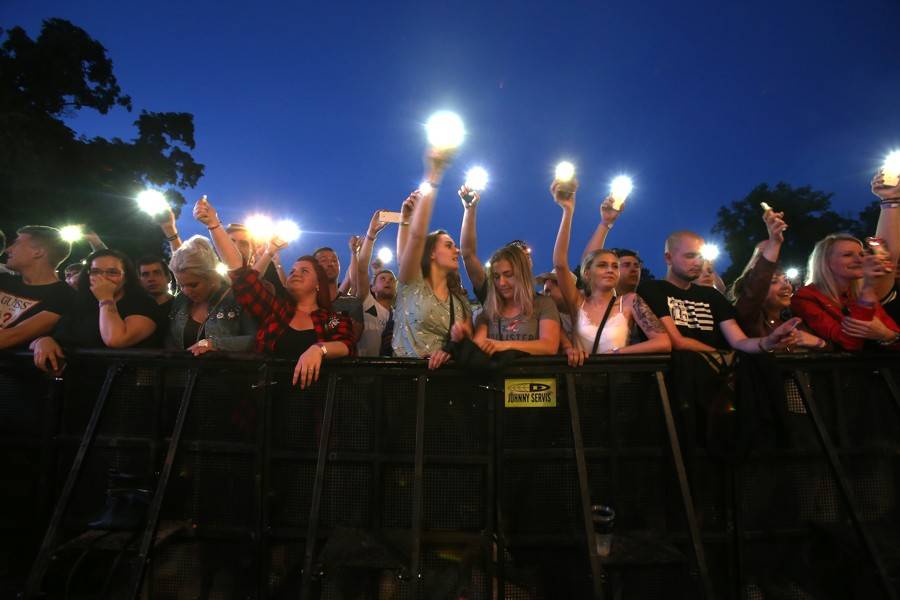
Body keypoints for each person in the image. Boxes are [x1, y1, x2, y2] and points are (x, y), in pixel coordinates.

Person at [194, 196, 354, 388]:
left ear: (318, 283)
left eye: (304, 271)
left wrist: (319, 349)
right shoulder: (276, 310)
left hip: (315, 407)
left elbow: (347, 345)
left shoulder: (332, 319)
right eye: (293, 270)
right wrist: (214, 225)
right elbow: (242, 277)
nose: (295, 274)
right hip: (267, 404)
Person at [552, 182, 671, 355]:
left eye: (615, 266)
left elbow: (663, 342)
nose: (610, 270)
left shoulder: (630, 301)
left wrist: (617, 354)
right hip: (580, 380)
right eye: (602, 265)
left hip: (618, 379)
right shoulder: (577, 301)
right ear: (586, 273)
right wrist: (568, 211)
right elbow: (560, 264)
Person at [637, 230, 801, 352]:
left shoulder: (712, 296)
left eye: (700, 256)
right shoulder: (652, 289)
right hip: (675, 384)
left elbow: (738, 341)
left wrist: (767, 342)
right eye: (690, 256)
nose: (697, 262)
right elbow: (678, 341)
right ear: (668, 258)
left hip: (717, 385)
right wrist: (721, 355)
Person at [393, 151, 473, 369]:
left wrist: (452, 348)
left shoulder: (460, 303)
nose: (456, 250)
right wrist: (435, 172)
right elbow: (417, 238)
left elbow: (468, 344)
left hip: (443, 388)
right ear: (431, 253)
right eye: (448, 245)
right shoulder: (411, 283)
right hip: (401, 384)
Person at [31, 249, 159, 372]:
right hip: (77, 384)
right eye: (95, 272)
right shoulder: (80, 303)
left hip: (123, 387)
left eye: (112, 272)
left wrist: (105, 299)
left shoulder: (143, 304)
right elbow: (58, 334)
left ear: (126, 278)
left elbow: (116, 340)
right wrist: (42, 341)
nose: (103, 278)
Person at [730, 208, 826, 350]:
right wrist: (775, 242)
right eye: (774, 281)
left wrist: (820, 343)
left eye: (786, 280)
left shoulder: (796, 321)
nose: (786, 285)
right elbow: (756, 287)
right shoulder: (748, 319)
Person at [791, 233, 899, 350]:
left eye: (862, 254)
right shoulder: (805, 297)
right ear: (825, 262)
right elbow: (850, 344)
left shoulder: (857, 294)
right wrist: (868, 287)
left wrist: (886, 334)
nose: (859, 260)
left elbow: (894, 333)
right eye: (848, 255)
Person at [457, 244, 560, 356]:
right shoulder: (490, 309)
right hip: (497, 373)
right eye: (496, 277)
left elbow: (549, 346)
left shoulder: (544, 304)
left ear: (522, 274)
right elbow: (479, 345)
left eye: (508, 274)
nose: (501, 283)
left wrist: (503, 345)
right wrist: (464, 335)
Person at [166, 236, 257, 355]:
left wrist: (214, 344)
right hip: (183, 372)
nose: (186, 291)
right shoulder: (181, 299)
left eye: (193, 285)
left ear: (212, 277)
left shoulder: (237, 298)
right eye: (181, 285)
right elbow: (170, 338)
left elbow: (256, 340)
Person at [0, 226, 75, 350]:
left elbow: (14, 335)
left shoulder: (64, 296)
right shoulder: (3, 280)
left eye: (16, 243)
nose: (8, 249)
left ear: (38, 252)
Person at [351, 210, 398, 357]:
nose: (388, 281)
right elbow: (362, 270)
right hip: (359, 373)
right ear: (372, 287)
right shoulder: (368, 302)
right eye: (382, 279)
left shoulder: (399, 315)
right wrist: (371, 235)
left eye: (391, 280)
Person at [313, 246, 364, 342]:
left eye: (334, 260)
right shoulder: (309, 302)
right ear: (314, 268)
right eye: (324, 260)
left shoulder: (352, 303)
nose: (330, 264)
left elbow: (352, 339)